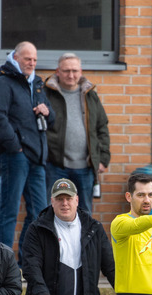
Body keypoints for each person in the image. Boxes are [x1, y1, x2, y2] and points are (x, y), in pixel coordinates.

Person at [0, 41, 53, 261]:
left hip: (37, 156)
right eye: (27, 59)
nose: (31, 63)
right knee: (9, 212)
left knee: (40, 212)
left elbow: (51, 118)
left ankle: (28, 260)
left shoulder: (36, 83)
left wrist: (47, 111)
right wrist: (15, 146)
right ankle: (4, 263)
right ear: (15, 58)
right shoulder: (3, 82)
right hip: (15, 155)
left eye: (34, 60)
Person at [43, 53, 111, 214]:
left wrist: (103, 159)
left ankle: (82, 241)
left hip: (85, 167)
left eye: (74, 70)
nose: (71, 75)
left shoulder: (90, 95)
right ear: (57, 72)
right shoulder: (47, 95)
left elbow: (102, 128)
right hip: (54, 165)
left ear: (80, 71)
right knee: (50, 211)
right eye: (66, 71)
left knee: (84, 212)